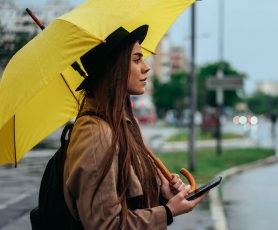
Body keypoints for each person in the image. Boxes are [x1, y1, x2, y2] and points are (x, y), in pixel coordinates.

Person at [63, 25, 206, 229]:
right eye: (137, 59)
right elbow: (105, 224)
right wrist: (167, 212)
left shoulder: (121, 124)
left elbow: (127, 202)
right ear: (115, 67)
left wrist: (161, 195)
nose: (146, 67)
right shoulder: (95, 132)